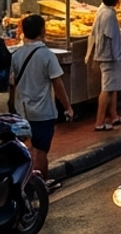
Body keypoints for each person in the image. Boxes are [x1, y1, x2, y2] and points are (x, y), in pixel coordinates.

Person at [9, 15, 73, 176]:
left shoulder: (16, 55)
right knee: (41, 150)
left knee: (27, 148)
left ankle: (29, 182)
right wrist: (68, 107)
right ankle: (41, 183)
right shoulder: (47, 55)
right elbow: (57, 84)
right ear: (42, 31)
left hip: (23, 110)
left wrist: (12, 104)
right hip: (43, 112)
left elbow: (12, 84)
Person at [85, 0, 121, 131]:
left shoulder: (104, 11)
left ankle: (113, 116)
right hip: (109, 57)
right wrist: (117, 56)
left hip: (108, 56)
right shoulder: (108, 14)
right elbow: (109, 37)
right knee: (107, 89)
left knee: (111, 87)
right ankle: (99, 121)